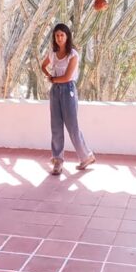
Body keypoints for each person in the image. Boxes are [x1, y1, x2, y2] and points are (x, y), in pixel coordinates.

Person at [41, 23, 96, 174]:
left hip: (68, 91)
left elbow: (66, 77)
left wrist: (53, 79)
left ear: (67, 36)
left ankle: (86, 156)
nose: (59, 38)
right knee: (56, 126)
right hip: (55, 91)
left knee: (72, 126)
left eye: (62, 35)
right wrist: (49, 76)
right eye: (57, 35)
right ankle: (57, 161)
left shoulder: (73, 55)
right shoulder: (53, 53)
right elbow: (43, 66)